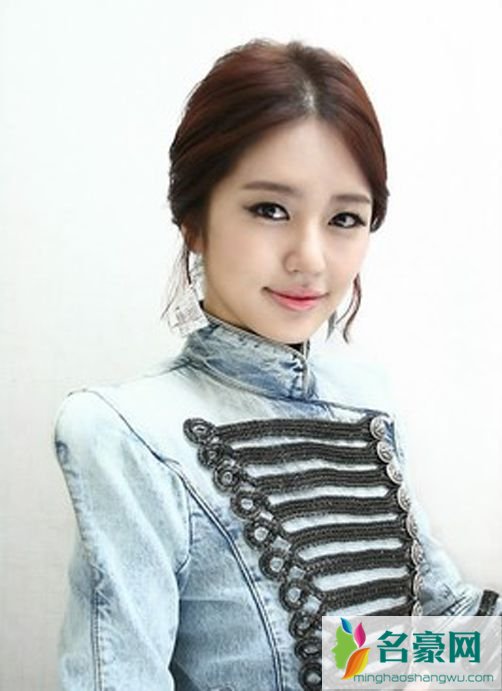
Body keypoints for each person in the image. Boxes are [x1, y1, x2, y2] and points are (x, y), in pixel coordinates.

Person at [53, 38, 500, 691]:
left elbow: (384, 651)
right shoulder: (129, 434)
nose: (310, 258)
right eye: (270, 209)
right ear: (194, 219)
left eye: (344, 218)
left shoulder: (364, 399)